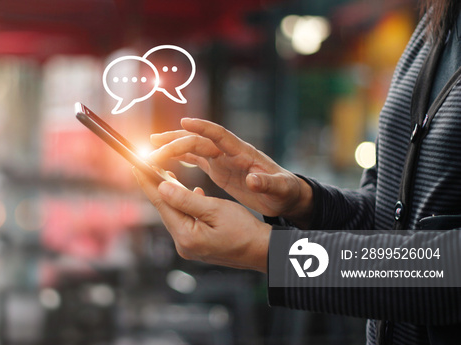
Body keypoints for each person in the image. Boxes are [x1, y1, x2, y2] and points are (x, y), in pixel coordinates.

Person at [134, 1, 461, 344]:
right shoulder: (433, 28)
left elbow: (450, 269)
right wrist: (303, 202)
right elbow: (391, 223)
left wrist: (270, 252)